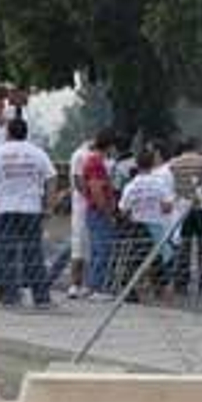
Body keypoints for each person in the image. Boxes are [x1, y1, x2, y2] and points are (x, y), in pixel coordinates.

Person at [0, 117, 56, 308]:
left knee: (5, 254)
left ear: (8, 132)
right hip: (31, 209)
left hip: (4, 209)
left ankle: (10, 296)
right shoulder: (38, 153)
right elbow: (52, 177)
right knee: (34, 254)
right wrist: (49, 205)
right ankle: (41, 297)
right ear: (26, 132)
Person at [117, 144, 175, 301]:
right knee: (160, 264)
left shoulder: (131, 185)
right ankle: (163, 298)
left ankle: (132, 293)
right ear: (153, 163)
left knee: (136, 263)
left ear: (137, 164)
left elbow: (123, 210)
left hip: (137, 227)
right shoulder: (159, 183)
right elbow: (168, 207)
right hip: (156, 226)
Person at [168, 138, 202, 296]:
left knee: (183, 246)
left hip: (182, 206)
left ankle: (180, 283)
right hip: (201, 207)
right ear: (195, 147)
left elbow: (171, 182)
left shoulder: (174, 163)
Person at [81, 128, 121, 299]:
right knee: (102, 249)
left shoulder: (92, 160)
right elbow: (96, 189)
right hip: (98, 211)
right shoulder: (96, 162)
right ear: (110, 145)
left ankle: (90, 285)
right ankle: (97, 288)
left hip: (93, 210)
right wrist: (107, 211)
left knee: (97, 250)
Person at [66, 134, 94, 298]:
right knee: (79, 247)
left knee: (85, 247)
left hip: (84, 205)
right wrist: (91, 198)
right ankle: (76, 284)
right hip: (83, 206)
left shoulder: (84, 154)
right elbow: (77, 180)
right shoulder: (81, 155)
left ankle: (83, 284)